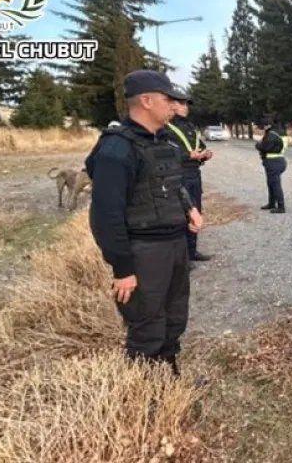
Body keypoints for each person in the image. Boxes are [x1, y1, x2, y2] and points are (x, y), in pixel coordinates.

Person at [84, 69, 204, 377]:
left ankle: (168, 378)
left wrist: (189, 208)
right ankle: (145, 392)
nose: (173, 105)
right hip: (144, 250)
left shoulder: (162, 141)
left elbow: (172, 183)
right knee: (147, 323)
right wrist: (123, 269)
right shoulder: (117, 150)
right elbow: (105, 215)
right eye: (168, 99)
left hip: (175, 244)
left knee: (175, 316)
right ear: (147, 101)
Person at [167, 98, 214, 263]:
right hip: (179, 173)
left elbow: (199, 145)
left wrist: (205, 154)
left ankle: (192, 251)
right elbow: (165, 152)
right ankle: (182, 258)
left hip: (194, 172)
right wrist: (188, 155)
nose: (186, 107)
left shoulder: (190, 126)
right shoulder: (166, 127)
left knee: (196, 211)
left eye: (187, 104)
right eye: (182, 103)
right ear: (171, 104)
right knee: (182, 214)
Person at [255, 117, 288, 214]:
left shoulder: (271, 134)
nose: (263, 128)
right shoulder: (281, 132)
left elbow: (264, 147)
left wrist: (258, 145)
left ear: (267, 125)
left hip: (273, 161)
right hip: (280, 159)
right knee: (271, 183)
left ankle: (281, 207)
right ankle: (271, 203)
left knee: (275, 185)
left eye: (263, 126)